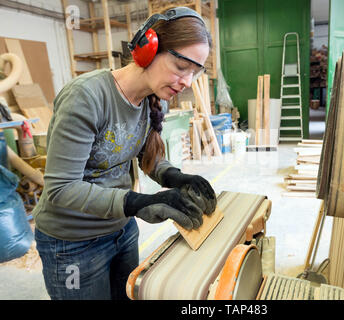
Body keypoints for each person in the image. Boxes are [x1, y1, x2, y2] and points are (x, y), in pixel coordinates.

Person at [33, 7, 217, 300]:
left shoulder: (154, 97)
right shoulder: (88, 97)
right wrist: (138, 202)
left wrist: (176, 177)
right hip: (72, 244)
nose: (187, 82)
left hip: (122, 230)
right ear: (148, 48)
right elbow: (61, 188)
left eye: (195, 72)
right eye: (182, 67)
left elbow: (149, 155)